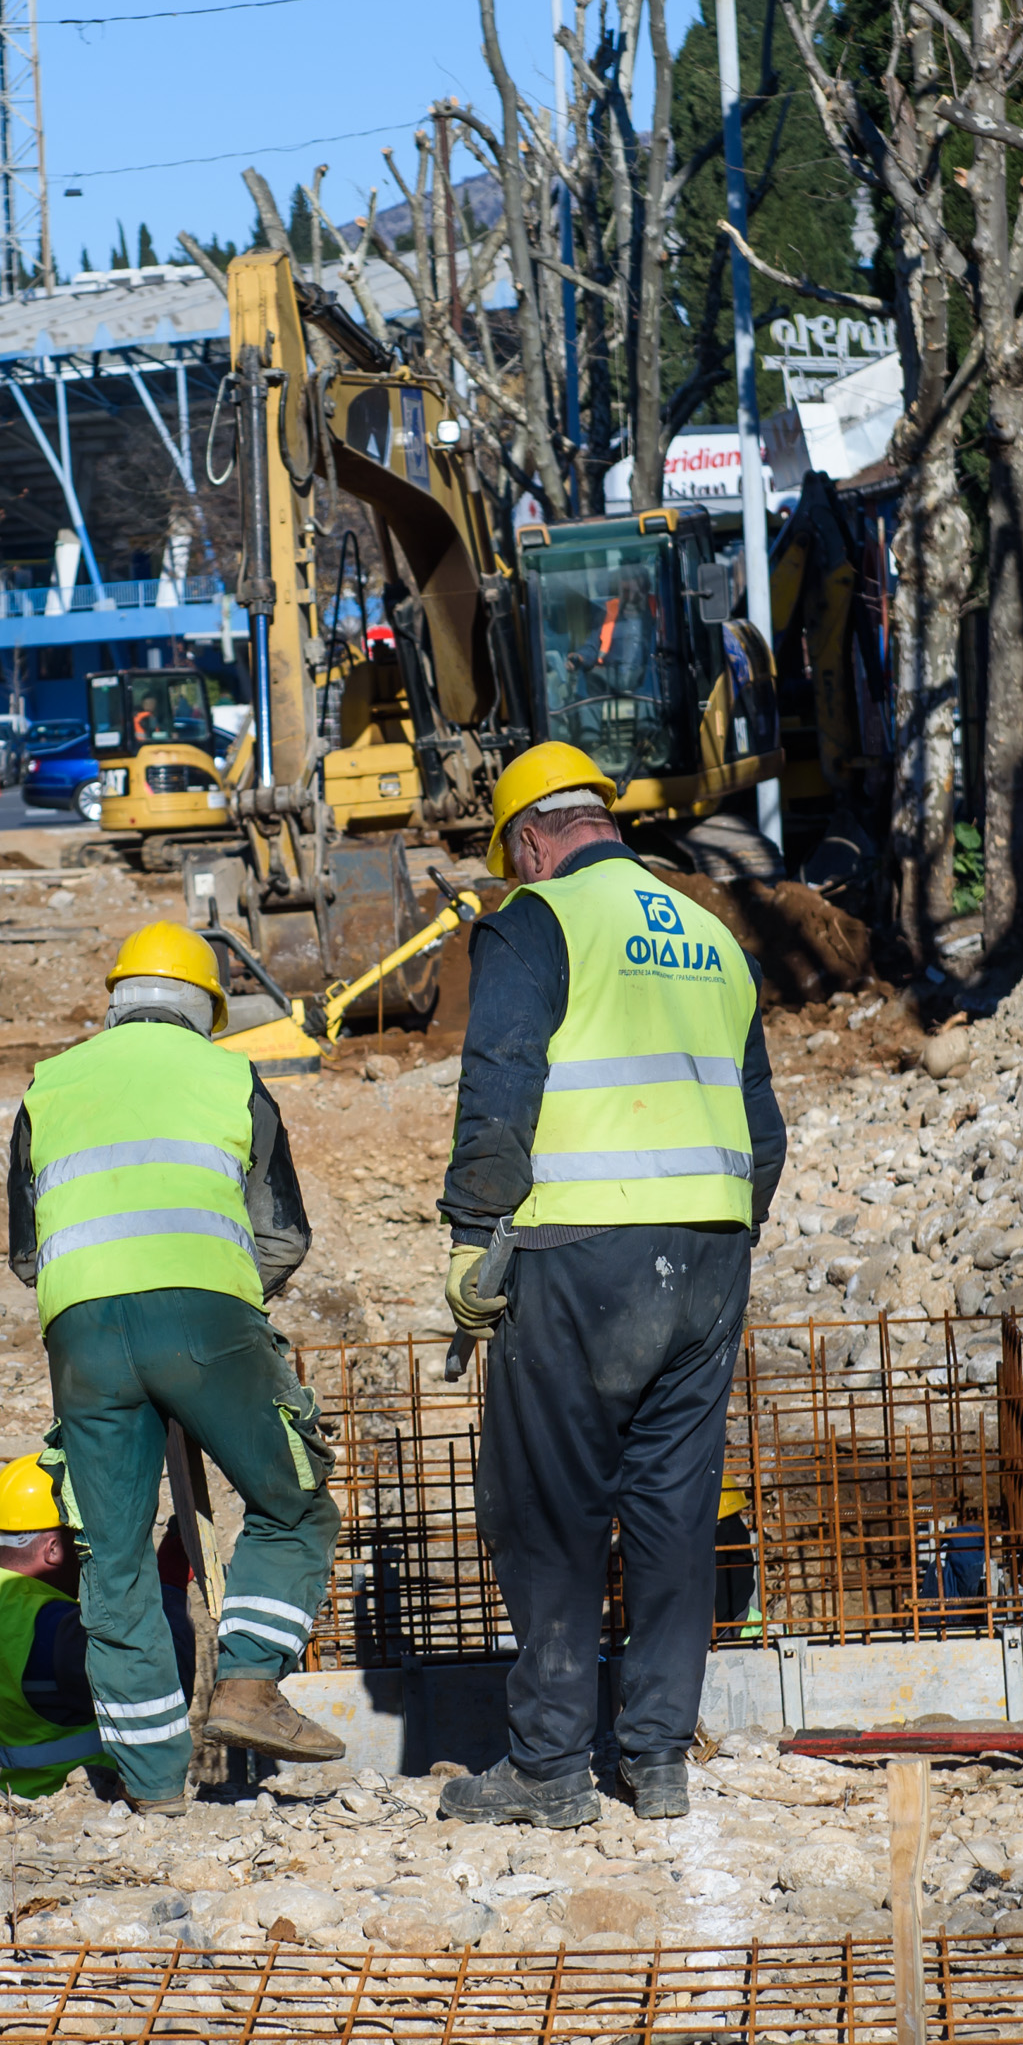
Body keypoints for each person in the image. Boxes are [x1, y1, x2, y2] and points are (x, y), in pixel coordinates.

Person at [434, 742, 783, 1827]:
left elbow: (500, 1084)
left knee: (546, 1504)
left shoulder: (539, 922)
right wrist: (715, 1234)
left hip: (580, 1253)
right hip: (710, 1250)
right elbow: (762, 1133)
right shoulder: (717, 941)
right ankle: (659, 1759)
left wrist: (473, 1232)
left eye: (512, 859)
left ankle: (548, 1768)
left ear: (532, 839)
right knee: (674, 1507)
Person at [5, 923, 348, 1806]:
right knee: (291, 1504)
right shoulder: (231, 1076)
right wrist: (215, 1312)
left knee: (112, 1565)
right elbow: (282, 1234)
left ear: (113, 1001)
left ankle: (153, 1790)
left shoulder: (50, 1084)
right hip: (206, 1322)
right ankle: (245, 1685)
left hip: (80, 1337)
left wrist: (108, 1308)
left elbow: (27, 1254)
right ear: (206, 1010)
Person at [0, 1454, 201, 1798]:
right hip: (69, 1805)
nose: (91, 1550)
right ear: (54, 1549)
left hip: (14, 1794)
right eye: (83, 1539)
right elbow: (162, 1690)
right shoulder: (54, 1629)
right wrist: (170, 1586)